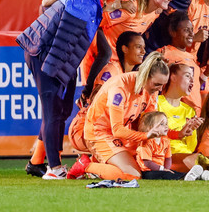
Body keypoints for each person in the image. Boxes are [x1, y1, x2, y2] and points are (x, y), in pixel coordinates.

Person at [18, 0, 122, 179]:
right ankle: (54, 169)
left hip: (51, 56)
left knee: (60, 111)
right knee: (52, 111)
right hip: (46, 57)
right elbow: (64, 38)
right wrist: (56, 72)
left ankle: (53, 165)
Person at [68, 52, 170, 180]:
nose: (159, 90)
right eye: (157, 84)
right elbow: (117, 130)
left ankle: (100, 162)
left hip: (123, 134)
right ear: (145, 76)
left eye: (162, 85)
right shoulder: (120, 88)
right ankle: (86, 165)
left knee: (141, 166)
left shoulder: (151, 90)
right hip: (99, 133)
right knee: (133, 175)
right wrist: (146, 136)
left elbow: (147, 124)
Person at [102, 0, 173, 62]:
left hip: (122, 62)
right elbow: (97, 21)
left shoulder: (155, 13)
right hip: (105, 61)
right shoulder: (130, 7)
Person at [136, 111, 209, 180]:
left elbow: (168, 158)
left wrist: (167, 169)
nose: (166, 126)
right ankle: (185, 177)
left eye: (166, 124)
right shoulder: (145, 142)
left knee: (173, 172)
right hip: (148, 171)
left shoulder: (165, 140)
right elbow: (147, 163)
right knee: (166, 175)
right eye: (162, 124)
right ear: (150, 127)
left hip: (162, 169)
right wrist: (163, 170)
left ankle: (197, 176)